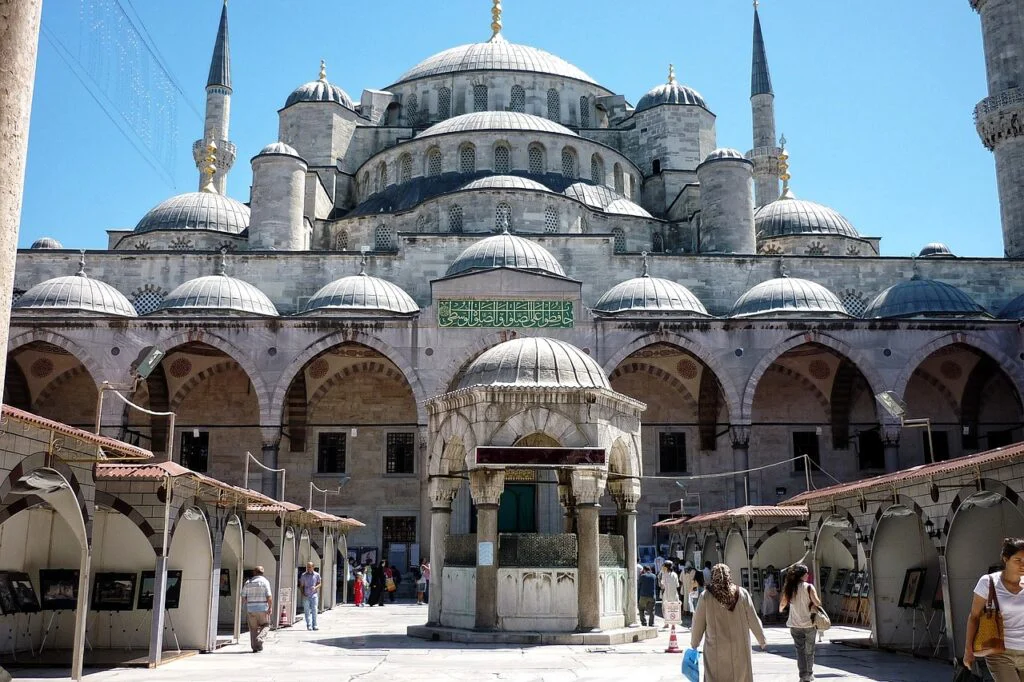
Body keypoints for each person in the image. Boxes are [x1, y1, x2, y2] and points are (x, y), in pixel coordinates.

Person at [690, 564, 767, 682]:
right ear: (729, 575)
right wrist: (762, 639)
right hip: (740, 646)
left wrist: (694, 643)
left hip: (715, 648)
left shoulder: (706, 596)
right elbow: (753, 619)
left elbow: (698, 622)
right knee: (740, 676)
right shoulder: (742, 593)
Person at [965, 537, 1024, 679]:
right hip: (999, 652)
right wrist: (968, 651)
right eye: (1018, 560)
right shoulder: (988, 582)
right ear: (1005, 559)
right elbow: (974, 616)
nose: (1023, 565)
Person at [780, 564, 821, 682]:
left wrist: (781, 610)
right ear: (803, 575)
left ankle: (802, 675)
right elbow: (817, 602)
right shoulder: (809, 587)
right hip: (809, 623)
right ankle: (809, 674)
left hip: (794, 624)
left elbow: (782, 604)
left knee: (800, 650)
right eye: (807, 573)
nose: (808, 575)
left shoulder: (790, 588)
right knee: (810, 650)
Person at [241, 565, 273, 653]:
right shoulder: (265, 582)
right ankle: (260, 638)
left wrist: (245, 605)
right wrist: (270, 607)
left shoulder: (248, 582)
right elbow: (269, 596)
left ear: (254, 572)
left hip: (251, 609)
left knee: (253, 628)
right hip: (263, 608)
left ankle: (255, 647)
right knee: (266, 625)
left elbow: (243, 596)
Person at [298, 562, 322, 630]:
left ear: (313, 567)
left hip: (314, 595)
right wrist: (303, 594)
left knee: (314, 610)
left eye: (309, 567)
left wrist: (315, 587)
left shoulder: (317, 575)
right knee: (306, 610)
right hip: (306, 595)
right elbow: (301, 586)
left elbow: (320, 583)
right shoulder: (303, 575)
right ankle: (309, 625)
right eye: (307, 567)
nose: (308, 568)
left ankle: (315, 625)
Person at [660, 560, 681, 629]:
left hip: (667, 594)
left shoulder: (664, 574)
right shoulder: (675, 574)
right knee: (674, 608)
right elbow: (677, 585)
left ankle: (666, 624)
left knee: (665, 608)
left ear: (666, 567)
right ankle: (673, 624)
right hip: (674, 594)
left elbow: (662, 585)